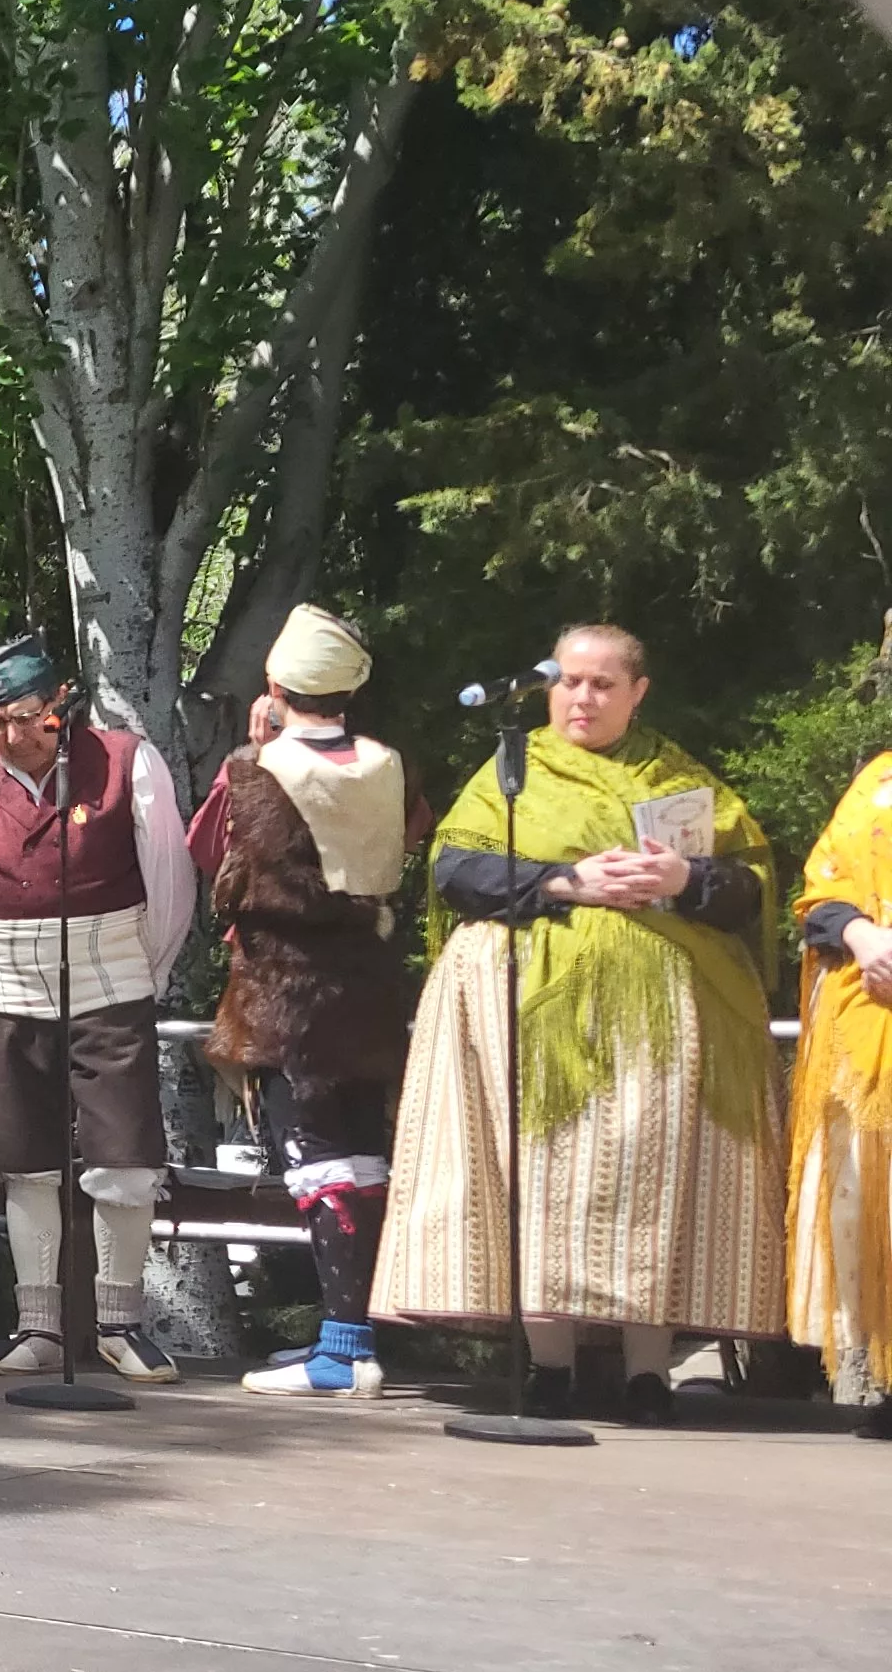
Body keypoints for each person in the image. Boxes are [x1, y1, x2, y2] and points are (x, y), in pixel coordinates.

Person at [380, 624, 785, 1425]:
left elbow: (751, 888)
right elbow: (456, 871)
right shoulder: (514, 771)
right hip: (535, 1027)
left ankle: (647, 1374)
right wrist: (566, 881)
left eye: (603, 684)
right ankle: (552, 1369)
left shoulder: (681, 781)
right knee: (540, 1182)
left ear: (638, 693)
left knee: (649, 1187)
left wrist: (683, 877)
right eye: (568, 681)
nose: (582, 697)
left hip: (659, 1032)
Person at [0, 632, 197, 1383]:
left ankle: (120, 1325)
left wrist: (139, 968)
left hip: (114, 971)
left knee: (125, 1155)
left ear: (60, 703)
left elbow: (169, 880)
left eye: (26, 718)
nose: (12, 737)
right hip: (8, 982)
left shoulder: (125, 761)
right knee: (24, 1160)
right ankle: (38, 1327)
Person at [191, 608, 425, 1401]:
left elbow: (218, 864)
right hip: (368, 981)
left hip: (286, 989)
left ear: (277, 686)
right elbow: (409, 837)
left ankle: (346, 1347)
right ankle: (348, 1332)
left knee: (317, 1161)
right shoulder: (390, 763)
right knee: (363, 1155)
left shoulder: (262, 768)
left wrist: (253, 752)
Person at [786, 743, 892, 1440]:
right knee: (874, 1205)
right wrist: (862, 937)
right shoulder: (880, 780)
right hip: (869, 1020)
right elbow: (821, 897)